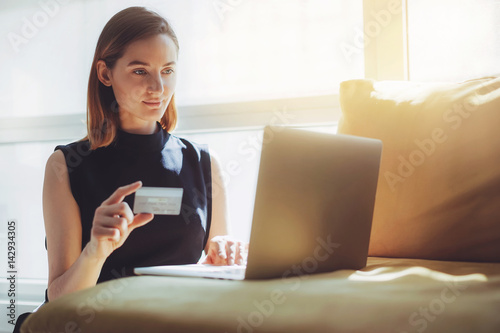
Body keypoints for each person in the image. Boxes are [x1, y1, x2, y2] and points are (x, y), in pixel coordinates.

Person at [13, 6, 248, 332]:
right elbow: (60, 299)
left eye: (168, 71)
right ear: (105, 74)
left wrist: (225, 251)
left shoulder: (204, 164)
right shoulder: (66, 166)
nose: (158, 87)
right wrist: (96, 250)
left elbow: (214, 266)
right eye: (140, 71)